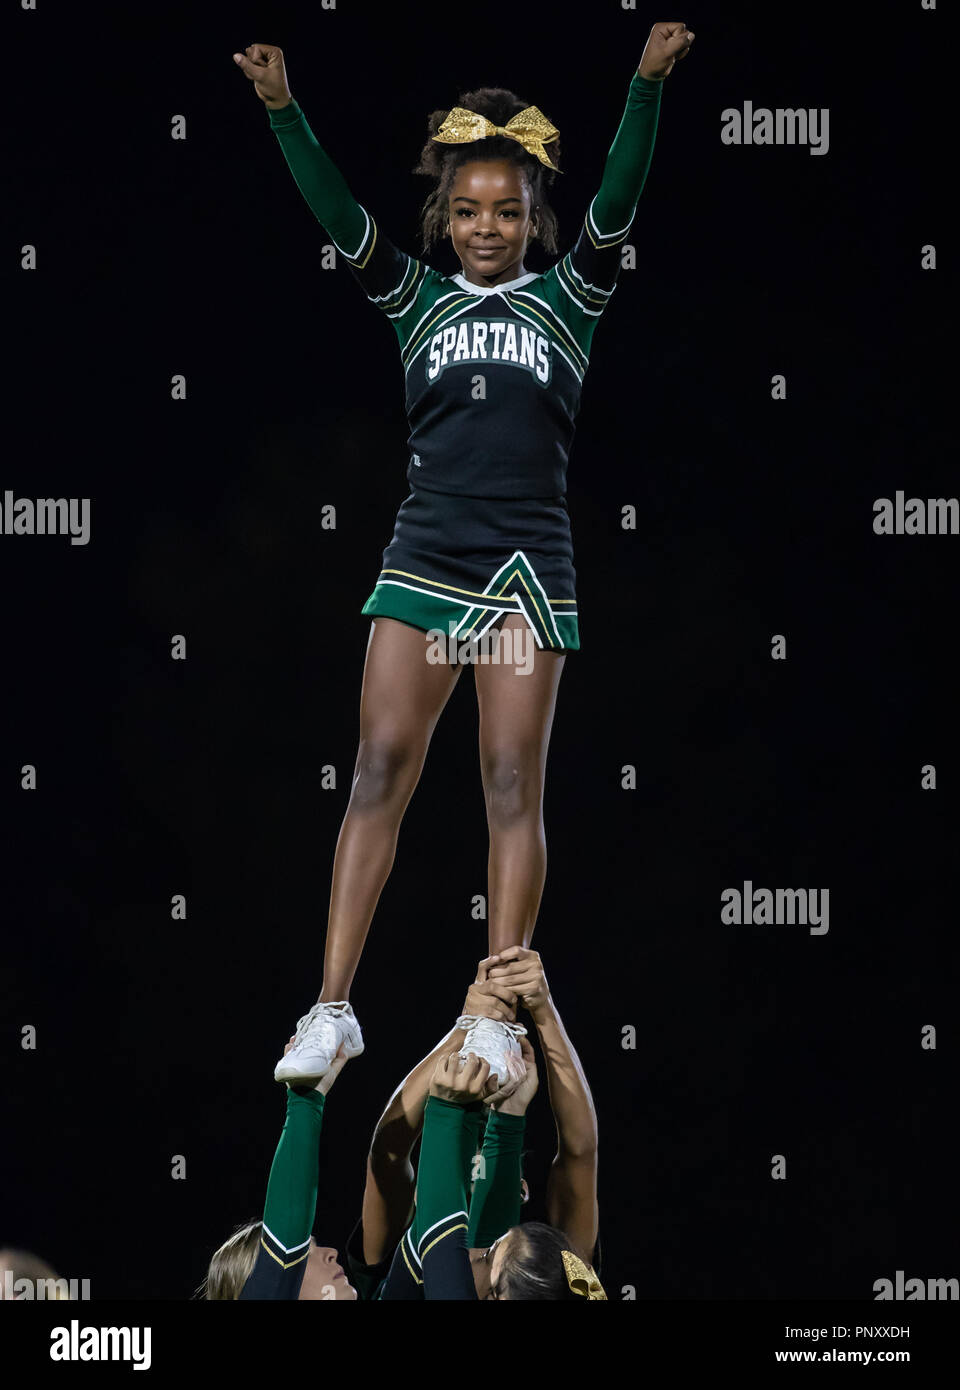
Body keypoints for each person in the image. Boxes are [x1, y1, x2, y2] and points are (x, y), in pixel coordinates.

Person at [231, 22, 694, 1086]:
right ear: (445, 219)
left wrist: (644, 88)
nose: (489, 226)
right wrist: (282, 109)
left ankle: (496, 1005)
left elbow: (619, 200)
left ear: (535, 222)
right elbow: (338, 215)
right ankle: (333, 1008)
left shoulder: (570, 302)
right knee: (381, 767)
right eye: (471, 210)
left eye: (510, 211)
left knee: (507, 779)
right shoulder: (414, 300)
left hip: (526, 571)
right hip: (427, 552)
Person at [348, 947, 604, 1299]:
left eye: (486, 1255)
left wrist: (465, 1027)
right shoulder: (549, 1271)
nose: (477, 1252)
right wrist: (542, 1011)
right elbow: (581, 1152)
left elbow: (388, 1152)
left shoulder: (492, 1268)